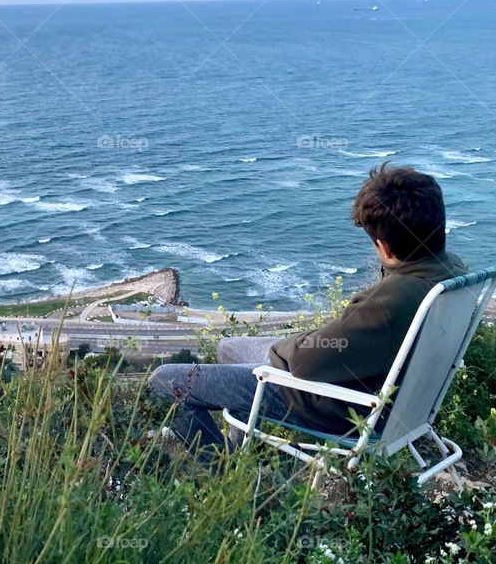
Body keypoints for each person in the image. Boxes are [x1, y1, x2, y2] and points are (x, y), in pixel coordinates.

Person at [147, 163, 467, 454]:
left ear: (383, 245)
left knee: (166, 379)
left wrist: (292, 344)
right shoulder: (452, 273)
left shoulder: (395, 298)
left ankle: (217, 471)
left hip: (336, 404)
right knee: (229, 347)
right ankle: (240, 451)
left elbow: (304, 362)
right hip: (396, 401)